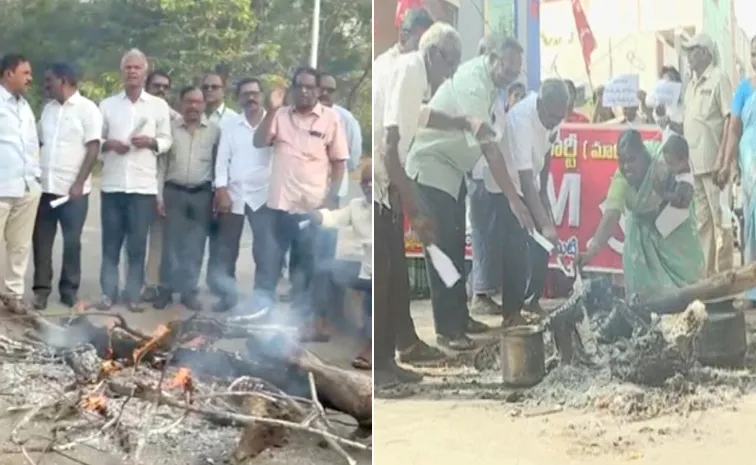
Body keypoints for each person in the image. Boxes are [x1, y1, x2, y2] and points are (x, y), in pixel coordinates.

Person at [401, 36, 534, 351]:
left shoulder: (490, 85)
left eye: (515, 72)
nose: (509, 76)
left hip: (451, 174)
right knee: (442, 254)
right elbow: (489, 149)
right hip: (431, 170)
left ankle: (460, 318)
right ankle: (448, 329)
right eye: (506, 67)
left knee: (456, 249)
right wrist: (515, 200)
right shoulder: (474, 84)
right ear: (492, 58)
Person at [375, 23, 471, 384]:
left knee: (395, 276)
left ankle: (389, 361)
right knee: (382, 276)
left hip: (390, 189)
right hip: (380, 189)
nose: (452, 74)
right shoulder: (412, 70)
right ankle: (379, 372)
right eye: (451, 64)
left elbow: (425, 116)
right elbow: (389, 148)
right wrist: (415, 209)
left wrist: (462, 122)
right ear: (434, 54)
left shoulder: (414, 76)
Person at [252, 67, 348, 341]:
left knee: (304, 269)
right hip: (280, 206)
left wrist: (329, 200)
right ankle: (263, 318)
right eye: (299, 86)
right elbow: (259, 142)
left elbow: (339, 163)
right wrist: (271, 109)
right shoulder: (280, 116)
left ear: (318, 90)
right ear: (293, 89)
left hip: (312, 209)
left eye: (310, 86)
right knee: (269, 265)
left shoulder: (332, 119)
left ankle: (300, 324)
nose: (304, 91)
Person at [578, 130, 704, 295]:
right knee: (644, 298)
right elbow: (611, 215)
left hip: (674, 227)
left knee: (690, 290)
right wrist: (591, 252)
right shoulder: (621, 179)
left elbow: (685, 171)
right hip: (641, 237)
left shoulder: (663, 160)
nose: (626, 167)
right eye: (621, 161)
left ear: (644, 155)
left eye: (631, 160)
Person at [97, 49, 172, 312]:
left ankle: (132, 295)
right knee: (110, 244)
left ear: (145, 72)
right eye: (128, 67)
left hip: (142, 188)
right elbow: (95, 143)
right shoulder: (107, 105)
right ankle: (108, 293)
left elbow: (167, 140)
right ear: (122, 72)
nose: (132, 72)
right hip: (113, 185)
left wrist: (151, 142)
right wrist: (109, 144)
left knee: (137, 246)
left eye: (137, 68)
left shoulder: (158, 106)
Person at [488, 79, 568, 325]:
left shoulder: (554, 115)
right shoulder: (522, 120)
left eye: (560, 116)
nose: (556, 121)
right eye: (553, 116)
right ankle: (511, 315)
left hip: (528, 183)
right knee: (516, 248)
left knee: (542, 246)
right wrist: (546, 224)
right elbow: (523, 180)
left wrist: (544, 195)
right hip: (504, 185)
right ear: (541, 106)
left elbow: (547, 153)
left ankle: (531, 301)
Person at [32, 62, 102, 310]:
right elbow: (38, 143)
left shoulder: (88, 109)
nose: (45, 85)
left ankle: (69, 290)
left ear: (63, 80)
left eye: (49, 80)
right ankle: (41, 290)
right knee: (41, 240)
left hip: (74, 193)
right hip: (46, 188)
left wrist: (79, 182)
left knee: (72, 241)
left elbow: (93, 147)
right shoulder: (48, 110)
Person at [152, 86, 219, 311]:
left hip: (202, 193)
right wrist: (159, 196)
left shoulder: (214, 131)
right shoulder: (170, 129)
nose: (193, 106)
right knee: (170, 245)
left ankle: (189, 292)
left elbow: (219, 165)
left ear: (204, 105)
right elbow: (161, 166)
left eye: (198, 102)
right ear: (181, 104)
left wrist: (217, 196)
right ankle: (166, 291)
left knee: (196, 246)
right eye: (189, 101)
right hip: (174, 192)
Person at [212, 78, 275, 313]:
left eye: (255, 93)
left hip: (264, 196)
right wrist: (222, 190)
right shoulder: (230, 125)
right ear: (238, 98)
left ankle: (262, 299)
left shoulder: (274, 121)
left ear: (262, 95)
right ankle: (228, 296)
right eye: (246, 94)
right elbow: (222, 161)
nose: (251, 98)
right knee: (227, 250)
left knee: (265, 250)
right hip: (235, 195)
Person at [310, 159, 372, 369]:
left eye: (374, 182)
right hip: (360, 265)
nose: (369, 186)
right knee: (323, 268)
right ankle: (323, 323)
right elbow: (333, 219)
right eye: (365, 182)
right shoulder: (356, 206)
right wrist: (315, 213)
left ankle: (371, 347)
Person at [682, 33, 734, 276]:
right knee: (703, 223)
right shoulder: (691, 84)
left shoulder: (718, 78)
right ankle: (708, 278)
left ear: (705, 52)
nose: (689, 55)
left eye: (693, 50)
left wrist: (722, 160)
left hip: (715, 165)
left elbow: (729, 120)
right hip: (695, 165)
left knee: (720, 222)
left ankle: (724, 279)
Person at [0, 54, 41, 302]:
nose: (30, 78)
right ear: (8, 74)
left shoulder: (24, 105)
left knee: (20, 246)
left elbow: (32, 144)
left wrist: (35, 179)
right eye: (25, 73)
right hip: (1, 187)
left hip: (26, 188)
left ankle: (12, 295)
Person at [722, 36, 756, 307]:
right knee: (751, 228)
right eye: (754, 54)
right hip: (751, 168)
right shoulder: (744, 89)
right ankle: (752, 289)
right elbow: (734, 129)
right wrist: (727, 164)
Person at [203, 71, 240, 298]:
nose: (209, 91)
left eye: (214, 87)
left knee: (223, 243)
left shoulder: (233, 120)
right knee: (195, 240)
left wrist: (223, 189)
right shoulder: (193, 113)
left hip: (224, 190)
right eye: (206, 87)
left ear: (223, 89)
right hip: (198, 188)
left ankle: (222, 288)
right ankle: (188, 286)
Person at [142, 69, 178, 303]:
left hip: (160, 185)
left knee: (157, 240)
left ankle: (151, 284)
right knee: (134, 239)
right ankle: (132, 283)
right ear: (147, 86)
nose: (161, 90)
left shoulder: (175, 118)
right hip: (134, 185)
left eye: (166, 86)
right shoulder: (136, 109)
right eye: (157, 85)